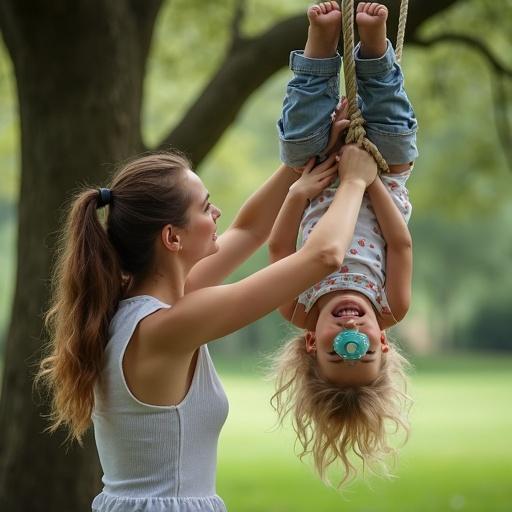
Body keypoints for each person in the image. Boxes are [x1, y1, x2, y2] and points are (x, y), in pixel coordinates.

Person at [37, 146, 377, 511]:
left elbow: (250, 231)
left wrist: (302, 160)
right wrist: (355, 180)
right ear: (172, 238)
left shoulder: (138, 309)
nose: (216, 213)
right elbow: (323, 256)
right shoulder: (168, 326)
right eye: (205, 206)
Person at [269, 2, 418, 485]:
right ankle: (374, 48)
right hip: (382, 175)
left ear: (312, 344)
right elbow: (400, 244)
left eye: (337, 353)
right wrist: (370, 178)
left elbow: (278, 250)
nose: (349, 339)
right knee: (397, 139)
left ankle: (321, 41)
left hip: (322, 171)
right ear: (384, 345)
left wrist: (299, 192)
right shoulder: (392, 306)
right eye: (364, 352)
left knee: (295, 146)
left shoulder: (296, 309)